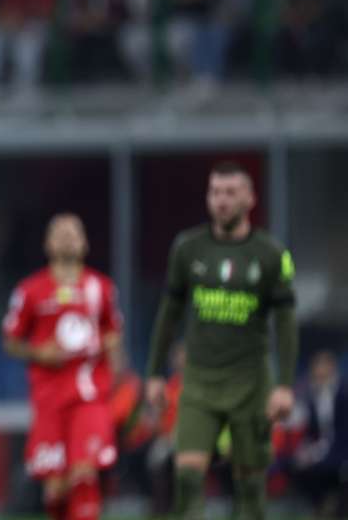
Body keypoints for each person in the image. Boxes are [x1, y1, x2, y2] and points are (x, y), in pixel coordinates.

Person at [145, 160, 298, 520]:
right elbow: (169, 314)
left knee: (249, 485)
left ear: (249, 197)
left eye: (230, 193)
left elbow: (286, 320)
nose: (222, 201)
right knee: (187, 476)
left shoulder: (273, 254)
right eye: (215, 193)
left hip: (251, 381)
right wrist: (154, 373)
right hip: (199, 380)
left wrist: (286, 384)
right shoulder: (187, 248)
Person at [2, 213, 122, 520]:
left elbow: (113, 334)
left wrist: (116, 375)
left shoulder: (101, 288)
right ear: (47, 244)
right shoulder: (30, 290)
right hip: (49, 399)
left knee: (84, 475)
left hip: (89, 395)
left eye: (74, 232)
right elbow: (10, 341)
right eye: (60, 232)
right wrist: (40, 353)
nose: (68, 237)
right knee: (55, 490)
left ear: (85, 243)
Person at [291, 350, 348, 517]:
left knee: (334, 469)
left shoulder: (343, 393)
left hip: (340, 450)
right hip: (321, 449)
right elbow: (311, 430)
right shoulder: (311, 396)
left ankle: (336, 509)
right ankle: (320, 506)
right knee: (298, 466)